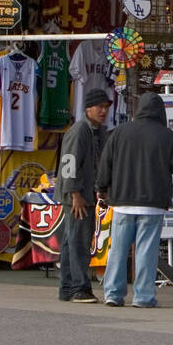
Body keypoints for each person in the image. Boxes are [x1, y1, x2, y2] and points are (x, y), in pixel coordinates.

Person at [97, 92, 173, 308]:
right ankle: (143, 297)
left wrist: (101, 188)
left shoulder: (119, 132)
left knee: (118, 249)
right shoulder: (166, 135)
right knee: (146, 251)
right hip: (153, 204)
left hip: (122, 201)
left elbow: (105, 164)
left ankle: (113, 294)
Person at [57, 88, 112, 304]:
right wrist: (75, 194)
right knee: (78, 241)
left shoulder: (97, 131)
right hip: (77, 196)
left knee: (72, 241)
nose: (104, 111)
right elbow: (69, 162)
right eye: (100, 107)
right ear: (88, 108)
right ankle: (79, 288)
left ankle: (67, 287)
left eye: (106, 107)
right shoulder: (80, 130)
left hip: (84, 193)